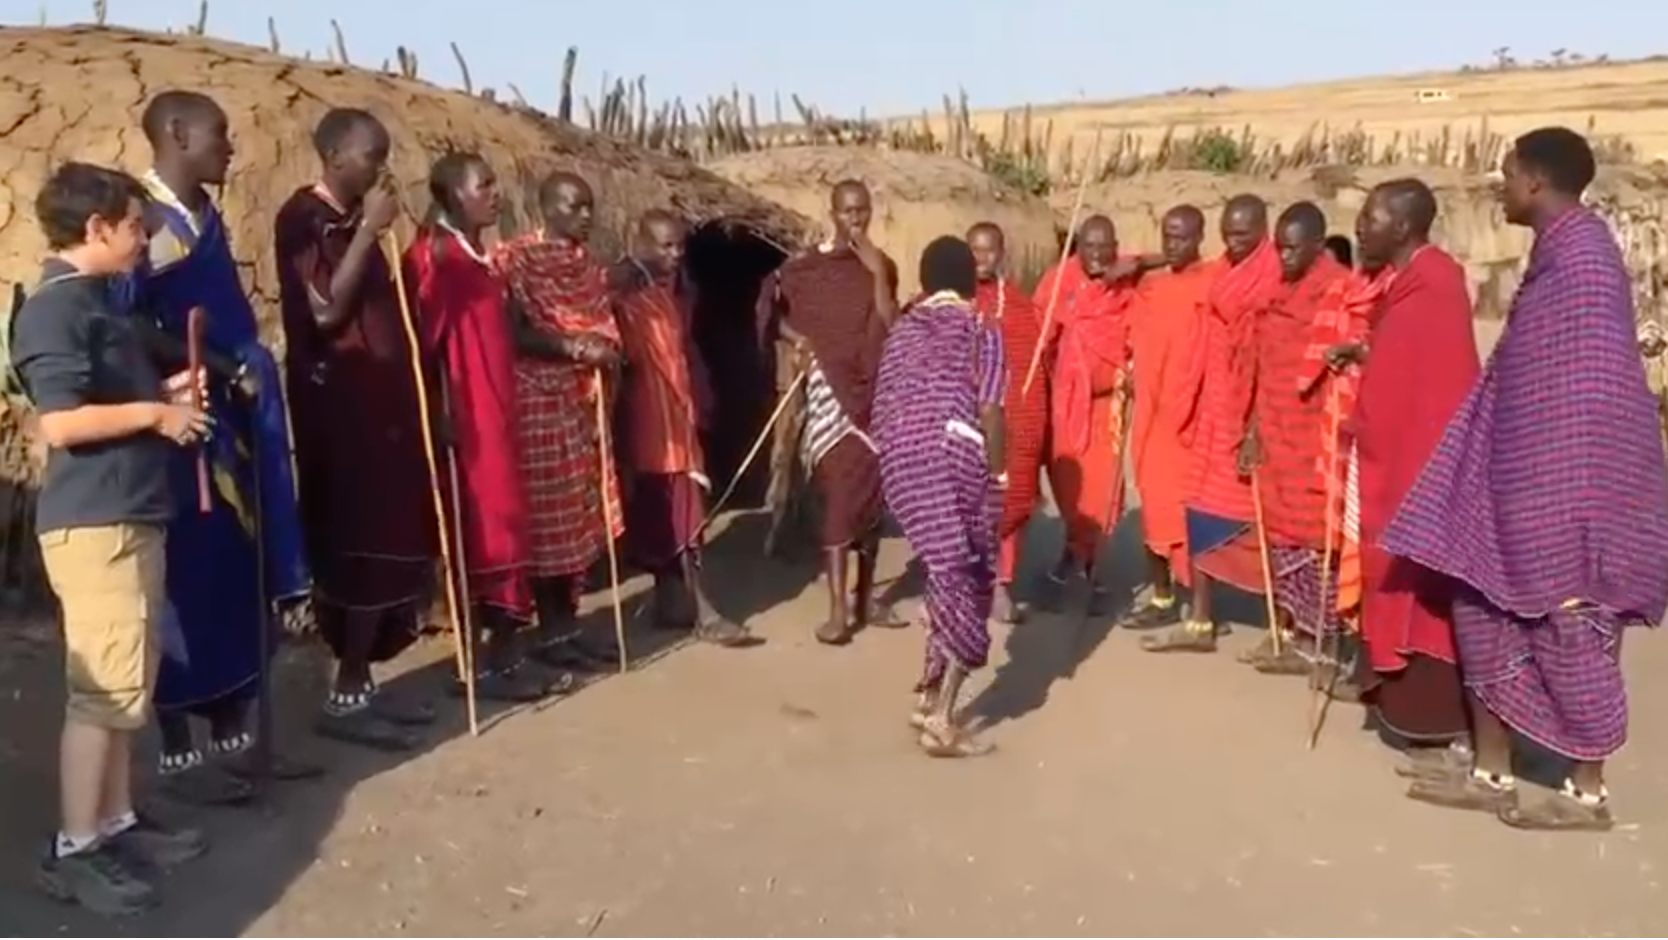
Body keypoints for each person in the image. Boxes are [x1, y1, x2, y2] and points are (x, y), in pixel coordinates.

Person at [1384, 128, 1668, 830]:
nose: (1500, 186)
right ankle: (1493, 771)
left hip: (1576, 487)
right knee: (1481, 602)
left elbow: (1594, 387)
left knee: (1572, 621)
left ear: (1536, 182)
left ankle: (1586, 791)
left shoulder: (1585, 258)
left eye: (1508, 174)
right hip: (1518, 476)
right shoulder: (1556, 251)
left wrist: (1554, 484)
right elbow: (1527, 371)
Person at [11, 161, 210, 915]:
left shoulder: (96, 304)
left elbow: (105, 399)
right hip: (97, 523)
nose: (141, 240)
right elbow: (62, 422)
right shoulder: (55, 311)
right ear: (95, 229)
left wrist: (166, 396)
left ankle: (115, 820)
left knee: (128, 680)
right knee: (101, 691)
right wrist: (157, 415)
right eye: (132, 227)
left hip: (127, 514)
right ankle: (76, 846)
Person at [118, 91, 316, 806]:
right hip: (178, 426)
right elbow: (126, 326)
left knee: (236, 572)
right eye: (218, 134)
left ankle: (238, 740)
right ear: (176, 133)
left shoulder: (204, 214)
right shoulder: (140, 218)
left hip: (235, 418)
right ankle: (180, 754)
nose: (230, 147)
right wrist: (221, 366)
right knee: (184, 580)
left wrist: (239, 373)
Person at [274, 108, 439, 751]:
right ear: (336, 155)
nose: (380, 168)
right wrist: (369, 229)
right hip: (340, 412)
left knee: (391, 536)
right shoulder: (304, 219)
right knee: (357, 541)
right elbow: (324, 312)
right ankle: (345, 691)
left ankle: (363, 681)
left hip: (382, 410)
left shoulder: (354, 225)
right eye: (372, 155)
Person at [1332, 179, 1477, 765]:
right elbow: (1403, 364)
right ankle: (1393, 694)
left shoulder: (1435, 281)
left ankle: (1439, 720)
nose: (1360, 227)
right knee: (1388, 572)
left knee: (1418, 582)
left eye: (1370, 217)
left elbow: (1442, 384)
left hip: (1418, 465)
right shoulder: (1407, 282)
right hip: (1392, 458)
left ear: (1403, 225)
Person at [405, 153, 547, 702]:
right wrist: (436, 411)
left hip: (497, 412)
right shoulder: (435, 259)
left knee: (504, 526)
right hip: (467, 421)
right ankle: (475, 663)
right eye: (483, 185)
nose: (495, 193)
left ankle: (505, 654)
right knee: (480, 531)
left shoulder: (478, 257)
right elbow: (420, 346)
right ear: (453, 195)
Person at [756, 179, 903, 645]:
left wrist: (876, 273)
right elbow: (772, 307)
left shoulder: (883, 265)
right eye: (847, 211)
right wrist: (798, 339)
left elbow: (889, 322)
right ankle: (838, 610)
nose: (855, 219)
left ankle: (865, 600)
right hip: (829, 396)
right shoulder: (808, 267)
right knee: (839, 498)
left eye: (862, 210)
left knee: (871, 501)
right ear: (833, 212)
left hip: (874, 395)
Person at [873, 236, 1004, 758]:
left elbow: (885, 403)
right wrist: (1000, 475)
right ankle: (943, 719)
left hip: (899, 465)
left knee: (942, 571)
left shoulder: (903, 330)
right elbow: (990, 409)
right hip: (954, 457)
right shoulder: (980, 329)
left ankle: (928, 697)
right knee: (968, 576)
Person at [491, 171, 625, 671]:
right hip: (538, 402)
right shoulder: (515, 260)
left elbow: (602, 323)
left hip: (581, 403)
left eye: (589, 206)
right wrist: (573, 347)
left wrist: (602, 350)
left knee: (578, 522)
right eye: (573, 206)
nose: (585, 216)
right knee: (549, 526)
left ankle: (565, 627)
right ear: (546, 207)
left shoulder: (586, 265)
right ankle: (549, 632)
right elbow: (510, 332)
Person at [1142, 195, 1281, 653]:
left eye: (1242, 234)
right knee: (1199, 508)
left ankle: (1286, 625)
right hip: (1214, 410)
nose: (1234, 242)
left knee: (1271, 522)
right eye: (1228, 234)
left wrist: (1255, 428)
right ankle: (1201, 622)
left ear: (1263, 230)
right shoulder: (1224, 271)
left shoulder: (1272, 277)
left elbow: (1272, 358)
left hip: (1257, 417)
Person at [610, 209, 754, 646]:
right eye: (665, 246)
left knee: (675, 513)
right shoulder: (623, 286)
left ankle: (670, 603)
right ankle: (704, 614)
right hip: (647, 420)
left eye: (679, 247)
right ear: (641, 243)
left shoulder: (671, 290)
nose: (674, 255)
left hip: (675, 417)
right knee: (677, 518)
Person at [1242, 202, 1354, 679]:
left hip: (1318, 439)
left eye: (1293, 249)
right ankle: (1297, 637)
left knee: (1320, 541)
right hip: (1277, 435)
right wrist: (1252, 431)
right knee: (1284, 537)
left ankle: (1328, 646)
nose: (1284, 257)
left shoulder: (1340, 295)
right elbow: (1261, 368)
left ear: (1317, 245)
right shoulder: (1274, 295)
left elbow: (1352, 367)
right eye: (1279, 248)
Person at [1032, 215, 1155, 613]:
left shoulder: (1126, 282)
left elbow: (1162, 262)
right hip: (1066, 404)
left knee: (1103, 494)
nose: (1098, 255)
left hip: (1108, 407)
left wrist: (1133, 266)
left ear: (1116, 247)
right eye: (1090, 246)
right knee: (1071, 490)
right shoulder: (1058, 282)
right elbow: (1040, 337)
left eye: (1106, 246)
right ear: (1077, 247)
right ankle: (1076, 557)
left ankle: (1088, 566)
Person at [1122, 205, 1221, 628]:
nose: (1173, 245)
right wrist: (1154, 260)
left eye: (1181, 237)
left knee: (1194, 514)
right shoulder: (1153, 287)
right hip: (1153, 419)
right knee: (1154, 508)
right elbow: (1115, 273)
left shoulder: (1214, 280)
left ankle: (1201, 613)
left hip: (1195, 421)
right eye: (1167, 236)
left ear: (1199, 238)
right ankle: (1161, 597)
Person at [967, 221, 1046, 623]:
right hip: (959, 422)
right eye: (974, 250)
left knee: (1007, 497)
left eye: (989, 250)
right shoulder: (946, 301)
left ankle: (1000, 586)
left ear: (1002, 254)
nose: (981, 258)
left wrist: (1024, 426)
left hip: (1007, 420)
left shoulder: (1018, 307)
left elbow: (1031, 371)